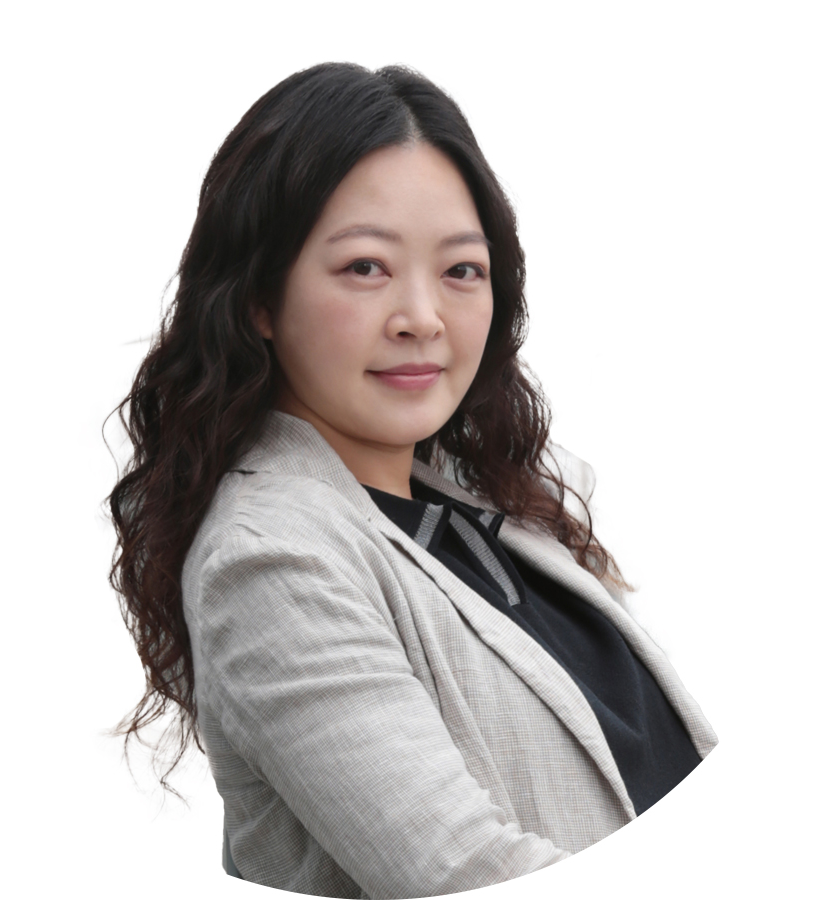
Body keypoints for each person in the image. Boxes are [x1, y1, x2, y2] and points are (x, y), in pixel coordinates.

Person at [108, 62, 717, 899]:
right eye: (366, 267)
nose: (423, 318)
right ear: (258, 298)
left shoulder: (486, 507)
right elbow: (466, 874)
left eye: (461, 270)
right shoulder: (270, 558)